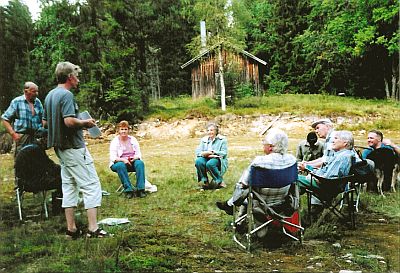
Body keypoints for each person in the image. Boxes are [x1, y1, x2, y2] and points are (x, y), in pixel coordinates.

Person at [43, 61, 106, 239]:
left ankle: (71, 230)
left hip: (60, 149)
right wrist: (86, 123)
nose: (78, 79)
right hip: (74, 148)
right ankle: (93, 229)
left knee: (69, 186)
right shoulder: (67, 95)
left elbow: (45, 123)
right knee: (92, 185)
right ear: (70, 77)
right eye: (77, 76)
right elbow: (69, 121)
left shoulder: (49, 96)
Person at [216, 128, 297, 215]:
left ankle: (231, 205)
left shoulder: (259, 162)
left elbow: (244, 184)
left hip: (260, 202)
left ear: (270, 147)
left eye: (264, 143)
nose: (263, 145)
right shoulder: (292, 160)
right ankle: (236, 214)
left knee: (245, 187)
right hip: (283, 201)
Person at [297, 130, 358, 195]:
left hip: (326, 186)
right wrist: (308, 167)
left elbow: (326, 179)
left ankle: (291, 203)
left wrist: (307, 168)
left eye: (336, 138)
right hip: (335, 185)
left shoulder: (341, 157)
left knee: (292, 178)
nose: (333, 141)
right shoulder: (348, 154)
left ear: (345, 143)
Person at [1, 82, 44, 156]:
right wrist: (13, 134)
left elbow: (43, 118)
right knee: (20, 162)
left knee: (35, 162)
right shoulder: (17, 101)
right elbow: (5, 119)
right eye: (34, 91)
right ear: (26, 91)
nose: (36, 93)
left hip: (35, 137)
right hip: (21, 137)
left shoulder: (38, 102)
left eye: (37, 91)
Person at [109, 120, 147, 199]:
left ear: (128, 130)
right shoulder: (115, 141)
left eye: (125, 129)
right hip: (119, 163)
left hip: (132, 162)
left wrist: (134, 158)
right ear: (118, 130)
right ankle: (128, 190)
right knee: (120, 165)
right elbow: (113, 157)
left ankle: (141, 189)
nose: (124, 131)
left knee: (140, 163)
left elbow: (139, 154)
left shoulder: (133, 139)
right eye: (122, 129)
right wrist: (123, 160)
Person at [195, 123, 228, 189]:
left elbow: (224, 153)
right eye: (208, 130)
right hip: (206, 157)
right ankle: (204, 181)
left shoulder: (222, 139)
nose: (210, 132)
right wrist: (204, 154)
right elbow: (198, 152)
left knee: (210, 164)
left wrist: (213, 152)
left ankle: (219, 181)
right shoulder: (204, 140)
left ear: (216, 131)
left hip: (217, 158)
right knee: (198, 161)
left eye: (211, 130)